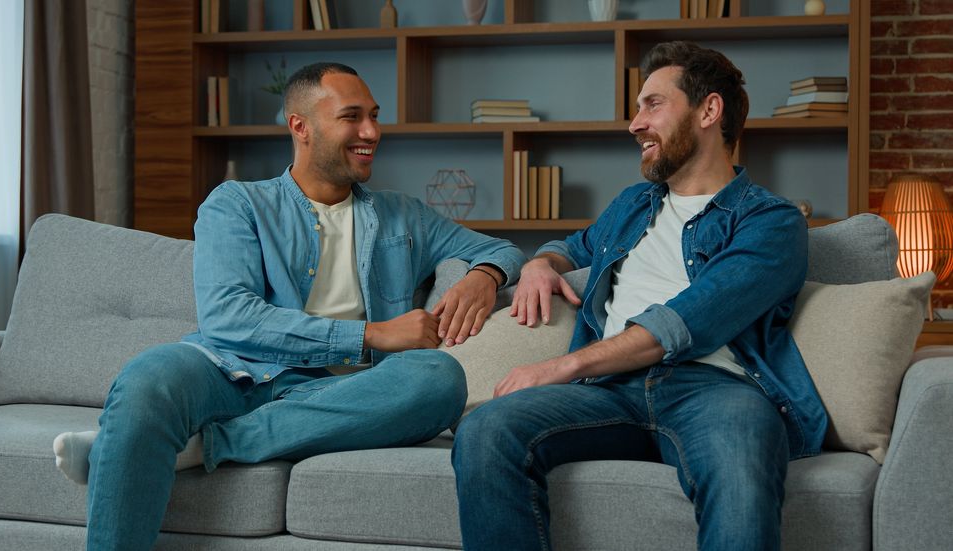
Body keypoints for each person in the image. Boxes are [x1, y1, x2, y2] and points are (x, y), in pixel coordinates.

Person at [52, 62, 525, 550]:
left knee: (438, 377)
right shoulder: (237, 204)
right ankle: (145, 440)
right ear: (301, 126)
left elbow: (503, 250)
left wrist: (484, 276)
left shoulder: (403, 216)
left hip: (344, 392)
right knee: (148, 378)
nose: (371, 132)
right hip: (232, 372)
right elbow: (228, 317)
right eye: (352, 117)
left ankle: (198, 446)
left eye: (374, 116)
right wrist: (371, 335)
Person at [452, 41, 826, 550]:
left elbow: (687, 320)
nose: (635, 124)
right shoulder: (633, 204)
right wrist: (541, 262)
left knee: (741, 462)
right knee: (486, 430)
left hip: (713, 391)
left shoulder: (770, 221)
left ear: (708, 111)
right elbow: (573, 246)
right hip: (608, 393)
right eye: (637, 108)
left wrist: (562, 366)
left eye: (653, 104)